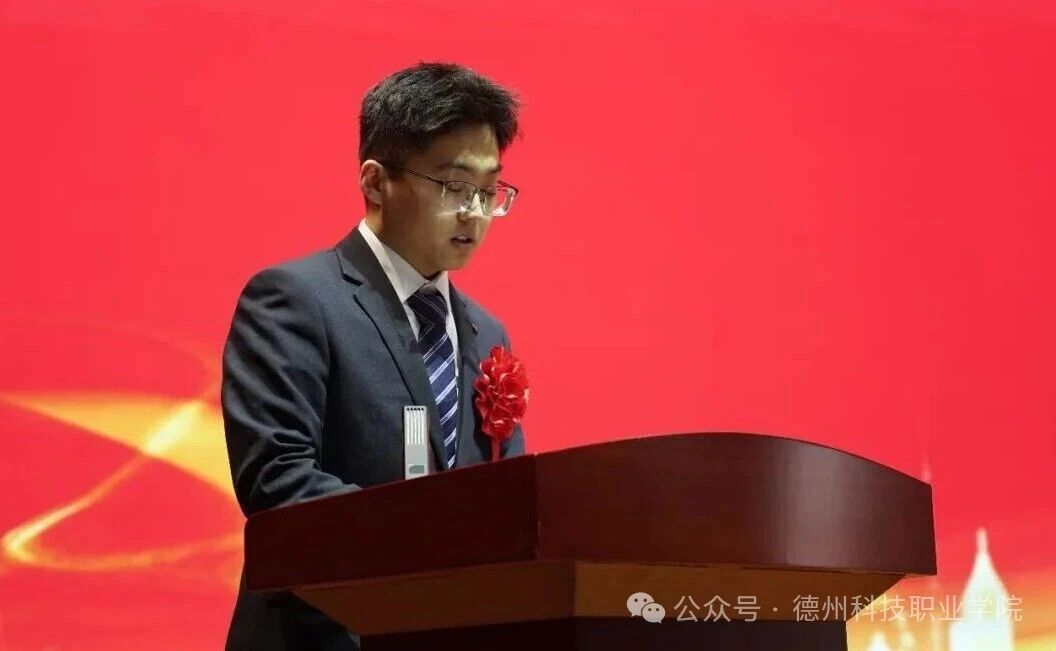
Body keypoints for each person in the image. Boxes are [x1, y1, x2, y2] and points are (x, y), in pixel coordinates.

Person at [220, 61, 526, 650]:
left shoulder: (487, 333)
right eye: (453, 186)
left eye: (489, 191)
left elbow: (504, 497)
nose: (474, 212)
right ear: (375, 181)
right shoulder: (296, 299)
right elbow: (277, 478)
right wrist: (430, 545)